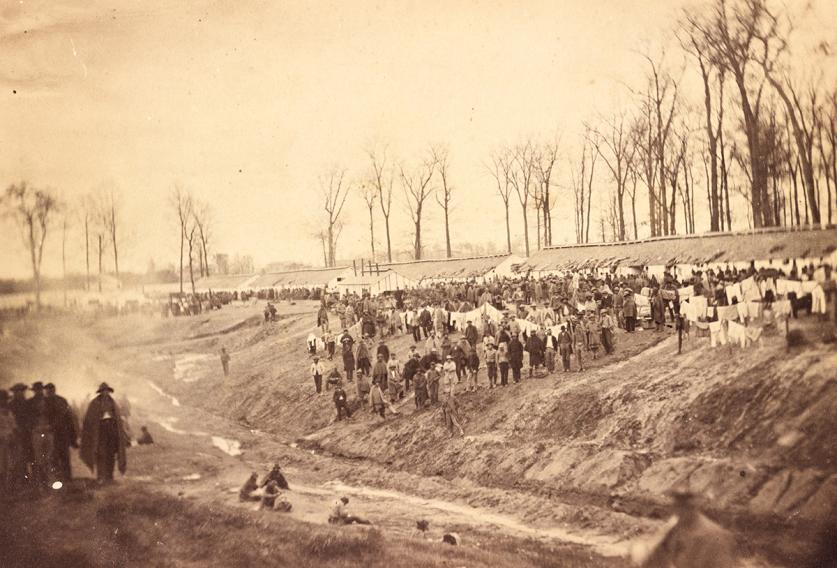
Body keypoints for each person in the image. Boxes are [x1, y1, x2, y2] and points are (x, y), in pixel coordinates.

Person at [639, 487, 736, 568]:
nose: (678, 510)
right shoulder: (674, 530)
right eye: (677, 505)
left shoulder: (715, 535)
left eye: (684, 506)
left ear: (694, 507)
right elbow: (655, 559)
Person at [81, 382, 128, 483]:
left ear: (109, 391)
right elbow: (89, 420)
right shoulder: (94, 403)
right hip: (100, 432)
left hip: (111, 431)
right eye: (103, 391)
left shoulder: (112, 403)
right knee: (100, 454)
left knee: (110, 454)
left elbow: (117, 419)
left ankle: (109, 476)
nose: (105, 393)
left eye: (107, 391)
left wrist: (118, 431)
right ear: (100, 392)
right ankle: (101, 477)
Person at [45, 383, 78, 482]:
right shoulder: (44, 402)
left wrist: (72, 437)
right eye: (48, 390)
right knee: (54, 457)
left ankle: (66, 478)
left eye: (51, 390)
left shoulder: (61, 401)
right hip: (51, 434)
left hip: (61, 433)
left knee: (63, 456)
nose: (49, 392)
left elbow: (69, 419)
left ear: (54, 390)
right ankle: (60, 479)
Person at [26, 381, 55, 489]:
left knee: (49, 457)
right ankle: (40, 483)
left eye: (40, 390)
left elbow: (55, 416)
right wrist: (33, 428)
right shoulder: (29, 403)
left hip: (48, 431)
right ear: (34, 391)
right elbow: (27, 419)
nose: (38, 392)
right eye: (36, 390)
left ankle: (49, 481)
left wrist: (51, 426)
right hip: (37, 432)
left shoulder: (49, 401)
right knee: (38, 458)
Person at [0, 389, 17, 496]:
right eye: (2, 399)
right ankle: (2, 489)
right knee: (1, 464)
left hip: (9, 440)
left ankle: (7, 488)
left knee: (9, 464)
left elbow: (14, 427)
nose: (4, 402)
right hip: (0, 440)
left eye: (5, 399)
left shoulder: (9, 412)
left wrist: (14, 438)